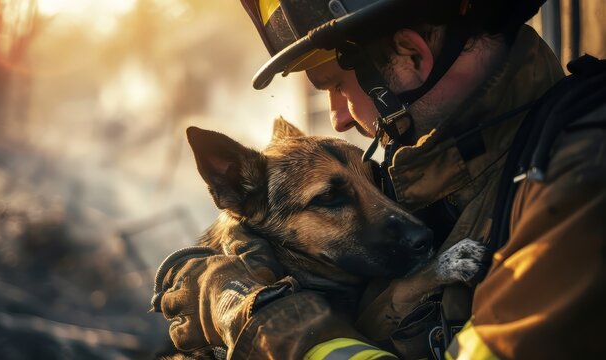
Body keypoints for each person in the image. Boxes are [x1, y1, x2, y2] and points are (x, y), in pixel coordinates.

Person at [152, 0, 606, 358]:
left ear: (410, 55)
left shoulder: (582, 180)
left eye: (335, 85)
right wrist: (212, 270)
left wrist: (262, 323)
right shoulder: (452, 171)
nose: (338, 119)